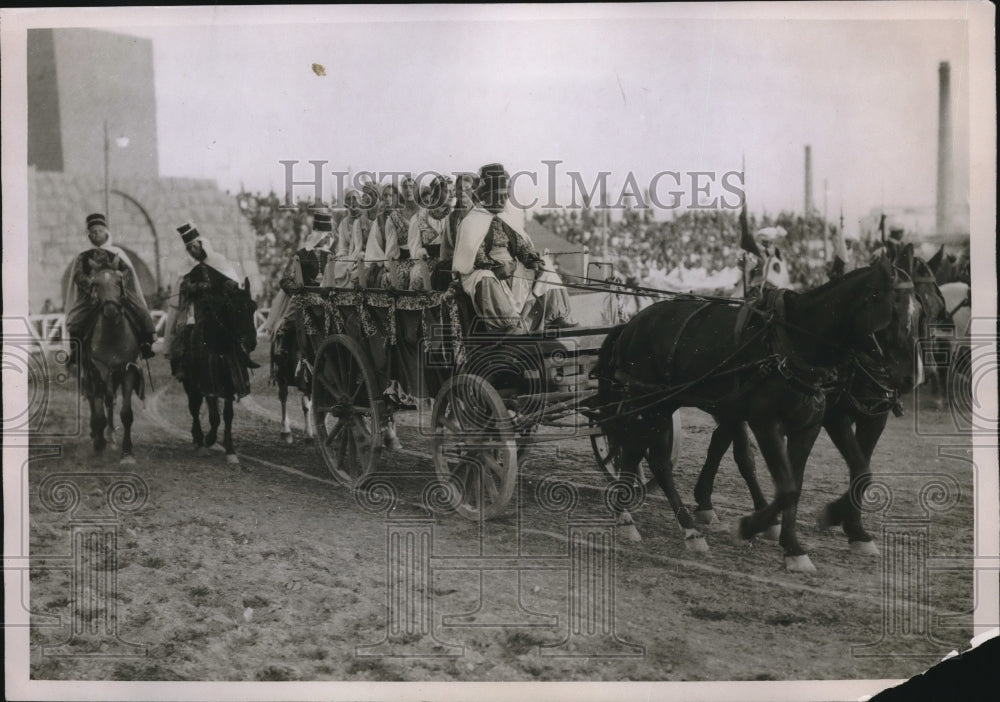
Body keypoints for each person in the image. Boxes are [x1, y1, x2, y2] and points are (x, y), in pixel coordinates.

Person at [453, 163, 577, 332]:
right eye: (500, 196)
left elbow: (521, 245)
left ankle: (556, 316)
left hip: (511, 268)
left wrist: (531, 259)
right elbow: (475, 256)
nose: (505, 200)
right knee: (485, 277)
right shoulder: (471, 221)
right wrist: (496, 266)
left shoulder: (506, 218)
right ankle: (508, 325)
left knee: (545, 265)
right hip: (484, 270)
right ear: (487, 196)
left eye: (506, 195)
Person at [164, 223, 260, 379]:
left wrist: (230, 284)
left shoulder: (218, 259)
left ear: (200, 244)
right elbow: (184, 286)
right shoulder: (186, 265)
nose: (191, 251)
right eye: (188, 248)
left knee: (237, 321)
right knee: (183, 326)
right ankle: (181, 363)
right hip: (197, 304)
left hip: (220, 301)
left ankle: (244, 356)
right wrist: (197, 286)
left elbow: (231, 279)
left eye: (193, 246)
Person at [64, 213, 157, 366]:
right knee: (75, 319)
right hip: (92, 295)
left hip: (116, 293)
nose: (96, 234)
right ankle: (76, 351)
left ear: (106, 232)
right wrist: (91, 283)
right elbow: (78, 275)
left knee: (140, 309)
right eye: (92, 232)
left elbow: (128, 271)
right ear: (89, 235)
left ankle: (145, 343)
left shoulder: (118, 253)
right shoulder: (83, 256)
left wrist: (120, 277)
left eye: (99, 230)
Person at [259, 210, 334, 356]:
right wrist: (296, 288)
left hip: (327, 297)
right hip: (305, 295)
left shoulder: (331, 255)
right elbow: (286, 279)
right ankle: (283, 349)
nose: (325, 239)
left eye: (327, 235)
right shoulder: (301, 254)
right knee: (291, 320)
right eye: (323, 235)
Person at [408, 174, 454, 291]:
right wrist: (422, 254)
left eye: (453, 191)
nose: (452, 194)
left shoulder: (455, 216)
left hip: (451, 263)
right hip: (426, 263)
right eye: (447, 191)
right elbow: (414, 248)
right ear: (436, 193)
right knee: (417, 277)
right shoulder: (419, 218)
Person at [365, 184, 412, 289]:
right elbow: (375, 245)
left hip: (406, 258)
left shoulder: (403, 215)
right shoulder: (379, 220)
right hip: (385, 260)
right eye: (385, 196)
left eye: (391, 195)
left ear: (396, 197)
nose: (388, 199)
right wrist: (385, 262)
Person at [323, 189, 362, 287]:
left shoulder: (364, 219)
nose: (352, 202)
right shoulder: (344, 223)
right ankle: (330, 294)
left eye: (355, 198)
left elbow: (360, 246)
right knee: (330, 266)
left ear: (360, 200)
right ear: (345, 203)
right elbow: (343, 247)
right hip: (349, 256)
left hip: (362, 254)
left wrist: (351, 259)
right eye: (349, 199)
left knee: (354, 268)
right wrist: (339, 256)